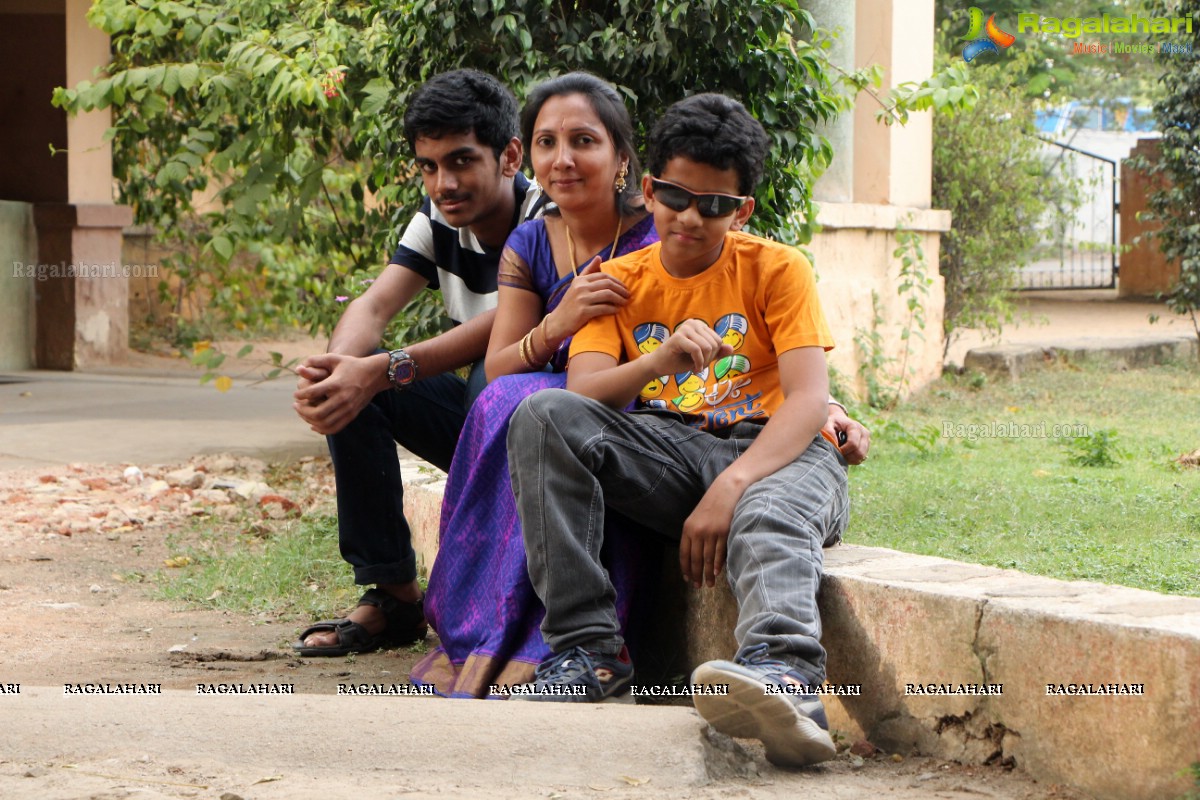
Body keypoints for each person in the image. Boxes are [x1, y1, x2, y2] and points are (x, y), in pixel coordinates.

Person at [506, 93, 846, 767]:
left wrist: (732, 485)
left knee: (767, 516)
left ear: (742, 210)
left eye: (715, 204)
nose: (692, 217)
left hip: (779, 451)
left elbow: (809, 402)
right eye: (677, 196)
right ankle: (587, 653)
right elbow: (584, 393)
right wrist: (660, 360)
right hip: (671, 444)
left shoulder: (778, 269)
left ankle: (786, 681)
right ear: (650, 187)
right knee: (542, 417)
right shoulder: (618, 280)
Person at [410, 73, 660, 697]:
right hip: (551, 400)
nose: (563, 159)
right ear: (531, 155)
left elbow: (742, 315)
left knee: (539, 406)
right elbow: (499, 365)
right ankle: (490, 631)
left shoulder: (662, 232)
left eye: (584, 141)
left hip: (642, 405)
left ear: (622, 158)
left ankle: (562, 644)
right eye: (547, 142)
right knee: (508, 397)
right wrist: (561, 322)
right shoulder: (530, 240)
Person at [290, 69, 545, 655]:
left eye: (459, 162)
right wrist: (337, 371)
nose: (442, 183)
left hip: (546, 427)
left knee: (493, 379)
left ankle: (503, 602)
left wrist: (382, 370)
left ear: (509, 156)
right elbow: (376, 302)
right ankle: (394, 596)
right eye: (429, 166)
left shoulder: (547, 214)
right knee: (354, 386)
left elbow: (510, 323)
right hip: (483, 421)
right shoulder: (436, 221)